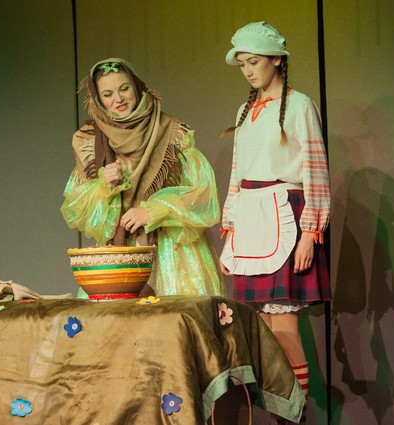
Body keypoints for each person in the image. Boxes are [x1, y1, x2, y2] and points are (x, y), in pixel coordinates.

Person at [219, 22, 332, 422]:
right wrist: (230, 233)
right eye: (243, 65)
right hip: (252, 218)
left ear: (277, 60)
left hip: (284, 215)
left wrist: (310, 233)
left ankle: (295, 416)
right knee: (263, 332)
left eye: (254, 62)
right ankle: (281, 411)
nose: (248, 71)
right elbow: (237, 174)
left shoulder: (299, 106)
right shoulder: (245, 111)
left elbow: (316, 170)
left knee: (283, 327)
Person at [61, 58, 226, 298]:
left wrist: (153, 211)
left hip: (172, 249)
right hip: (121, 250)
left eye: (124, 88)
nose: (118, 99)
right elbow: (78, 210)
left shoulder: (170, 130)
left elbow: (203, 193)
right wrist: (104, 186)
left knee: (174, 316)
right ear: (98, 99)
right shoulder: (88, 140)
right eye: (107, 94)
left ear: (136, 86)